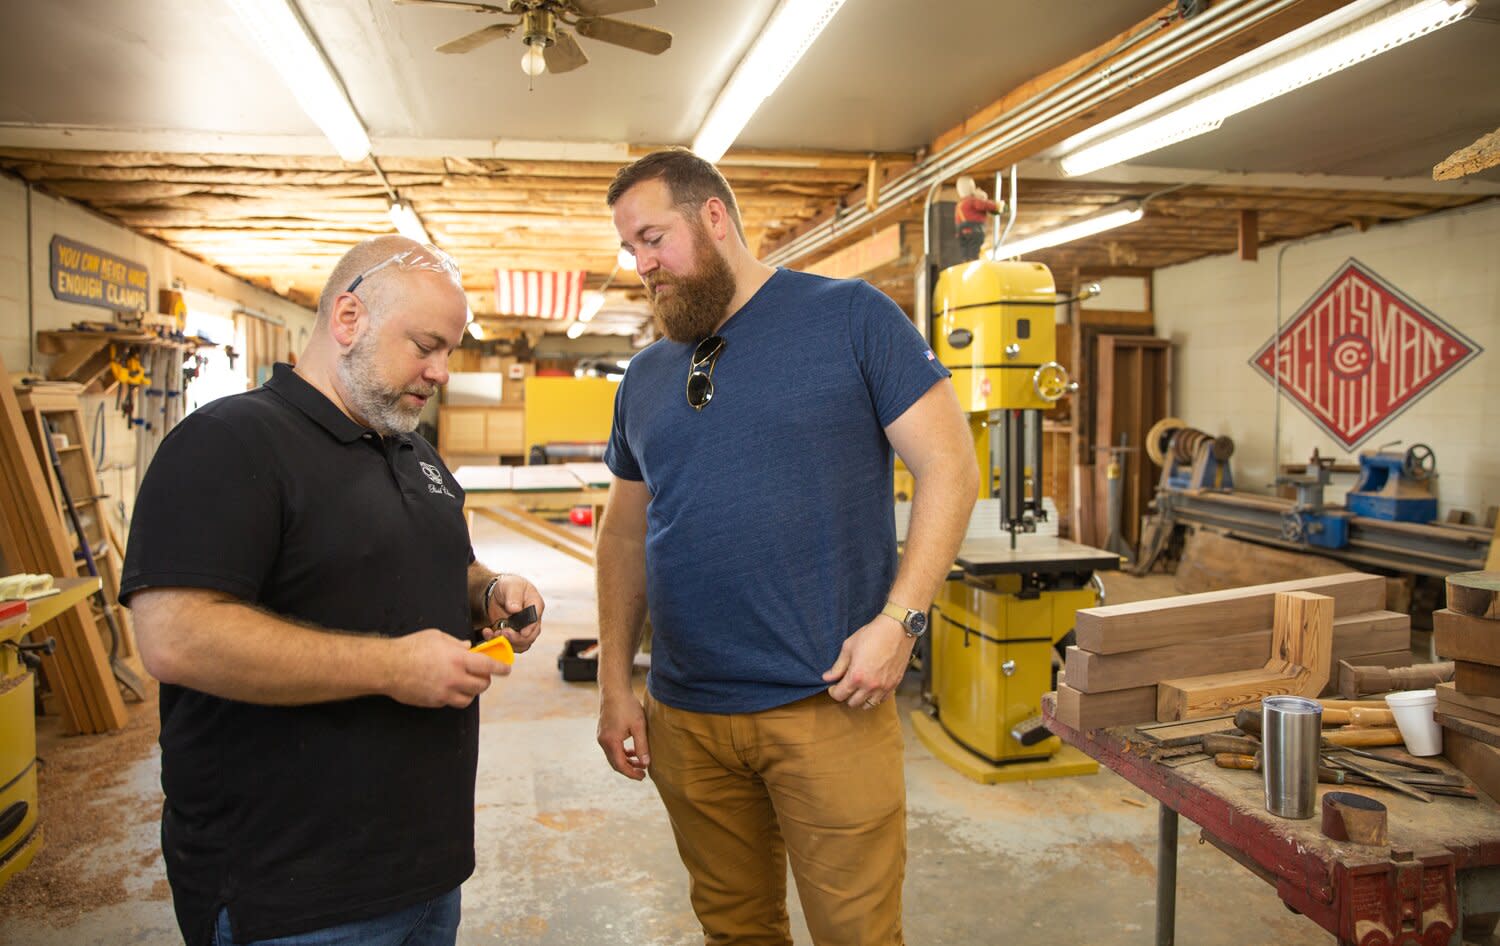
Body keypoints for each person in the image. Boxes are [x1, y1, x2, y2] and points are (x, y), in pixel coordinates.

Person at [595, 149, 979, 945]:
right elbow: (624, 533)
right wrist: (612, 683)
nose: (642, 264)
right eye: (630, 248)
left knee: (858, 934)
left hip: (827, 704)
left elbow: (950, 466)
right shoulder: (646, 375)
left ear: (713, 217)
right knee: (734, 930)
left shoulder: (850, 317)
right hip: (687, 716)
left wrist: (902, 622)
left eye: (653, 237)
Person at [121, 236, 545, 946]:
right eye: (426, 346)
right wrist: (392, 667)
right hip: (295, 891)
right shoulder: (229, 442)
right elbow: (176, 635)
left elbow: (440, 566)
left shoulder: (413, 450)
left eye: (449, 352)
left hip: (425, 869)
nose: (441, 372)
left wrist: (488, 591)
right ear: (348, 318)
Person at [954, 175, 1000, 260]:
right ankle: (973, 259)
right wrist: (996, 205)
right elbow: (983, 205)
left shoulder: (960, 204)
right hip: (974, 230)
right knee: (975, 247)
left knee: (965, 249)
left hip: (961, 231)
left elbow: (957, 220)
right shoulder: (972, 201)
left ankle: (966, 260)